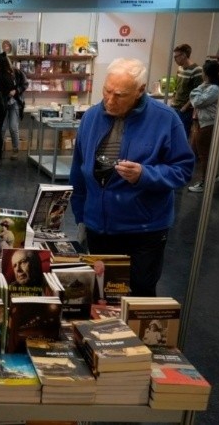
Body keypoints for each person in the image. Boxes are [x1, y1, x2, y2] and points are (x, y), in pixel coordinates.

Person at [69, 58, 194, 297]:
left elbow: (183, 169)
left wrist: (145, 175)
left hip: (143, 231)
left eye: (120, 95)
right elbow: (79, 170)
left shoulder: (166, 119)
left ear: (140, 91)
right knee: (101, 295)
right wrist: (81, 215)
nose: (109, 100)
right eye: (106, 91)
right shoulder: (92, 117)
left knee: (140, 295)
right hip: (98, 227)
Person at [187, 59, 219, 193]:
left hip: (207, 124)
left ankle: (205, 182)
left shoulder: (213, 89)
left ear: (206, 73)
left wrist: (199, 87)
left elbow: (197, 101)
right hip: (201, 123)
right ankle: (212, 175)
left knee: (204, 154)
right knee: (197, 150)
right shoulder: (208, 87)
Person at [0, 52, 21, 159]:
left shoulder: (14, 72)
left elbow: (21, 85)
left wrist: (15, 91)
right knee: (2, 128)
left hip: (12, 102)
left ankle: (15, 150)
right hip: (2, 103)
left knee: (13, 127)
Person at [171, 44, 203, 138]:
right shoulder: (180, 68)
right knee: (172, 134)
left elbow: (197, 92)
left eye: (176, 56)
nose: (175, 59)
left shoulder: (197, 70)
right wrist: (173, 98)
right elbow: (177, 85)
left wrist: (185, 107)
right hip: (175, 106)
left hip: (185, 110)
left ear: (184, 55)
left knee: (182, 136)